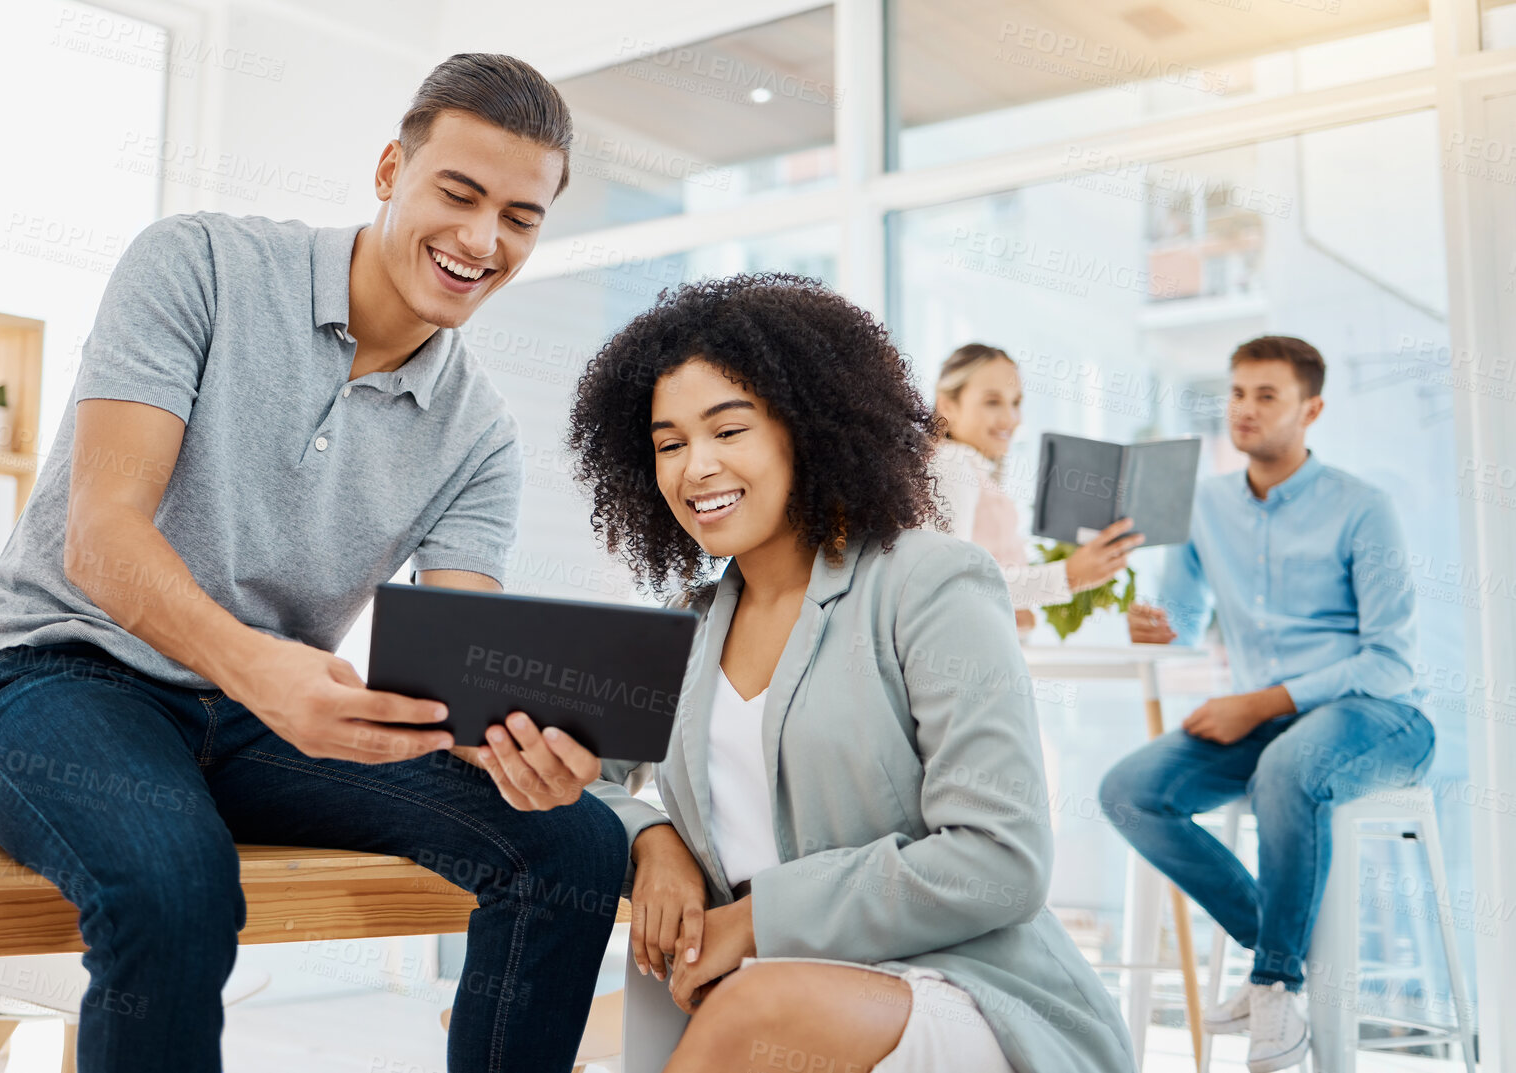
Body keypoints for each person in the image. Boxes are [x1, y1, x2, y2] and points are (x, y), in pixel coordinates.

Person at [0, 55, 628, 1073]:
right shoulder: (198, 264)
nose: (484, 241)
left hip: (260, 724)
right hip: (58, 677)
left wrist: (514, 743)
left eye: (521, 218)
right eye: (460, 192)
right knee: (176, 882)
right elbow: (100, 535)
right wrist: (257, 666)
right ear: (392, 168)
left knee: (576, 841)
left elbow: (462, 670)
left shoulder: (478, 429)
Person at [570, 275, 1135, 1073]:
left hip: (965, 988)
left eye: (728, 430)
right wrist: (652, 837)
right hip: (764, 992)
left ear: (806, 428)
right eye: (668, 444)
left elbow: (1001, 858)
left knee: (747, 1011)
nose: (696, 467)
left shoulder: (929, 582)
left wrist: (757, 920)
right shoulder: (688, 627)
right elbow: (574, 774)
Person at [1098, 336, 1434, 1073]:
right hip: (1268, 723)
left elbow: (1389, 659)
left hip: (1376, 715)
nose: (1244, 410)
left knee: (1286, 767)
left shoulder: (1362, 507)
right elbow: (1182, 618)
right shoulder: (1205, 504)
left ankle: (1275, 983)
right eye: (1236, 393)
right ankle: (1278, 952)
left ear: (1310, 409)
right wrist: (1155, 625)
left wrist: (1258, 702)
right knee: (1128, 791)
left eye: (1266, 396)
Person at [927, 343, 1138, 632]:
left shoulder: (971, 466)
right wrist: (1067, 576)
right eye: (992, 401)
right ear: (947, 405)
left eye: (1016, 403)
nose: (1011, 419)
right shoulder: (952, 461)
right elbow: (951, 580)